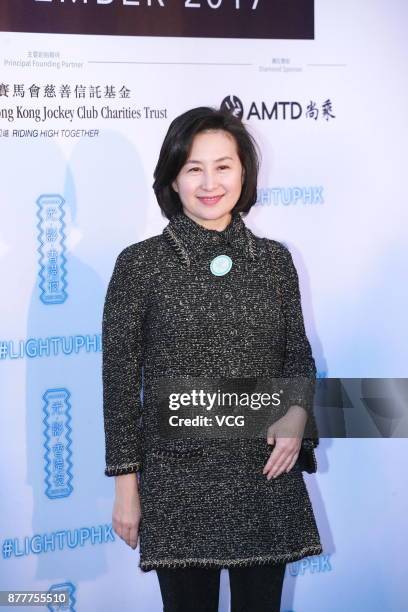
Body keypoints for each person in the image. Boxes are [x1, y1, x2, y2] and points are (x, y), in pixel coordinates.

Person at [102, 106, 323, 612]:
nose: (209, 182)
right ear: (172, 179)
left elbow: (298, 356)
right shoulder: (140, 265)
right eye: (193, 168)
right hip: (179, 487)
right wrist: (125, 488)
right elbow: (118, 383)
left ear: (243, 173)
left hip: (264, 476)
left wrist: (295, 416)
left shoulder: (274, 261)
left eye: (223, 166)